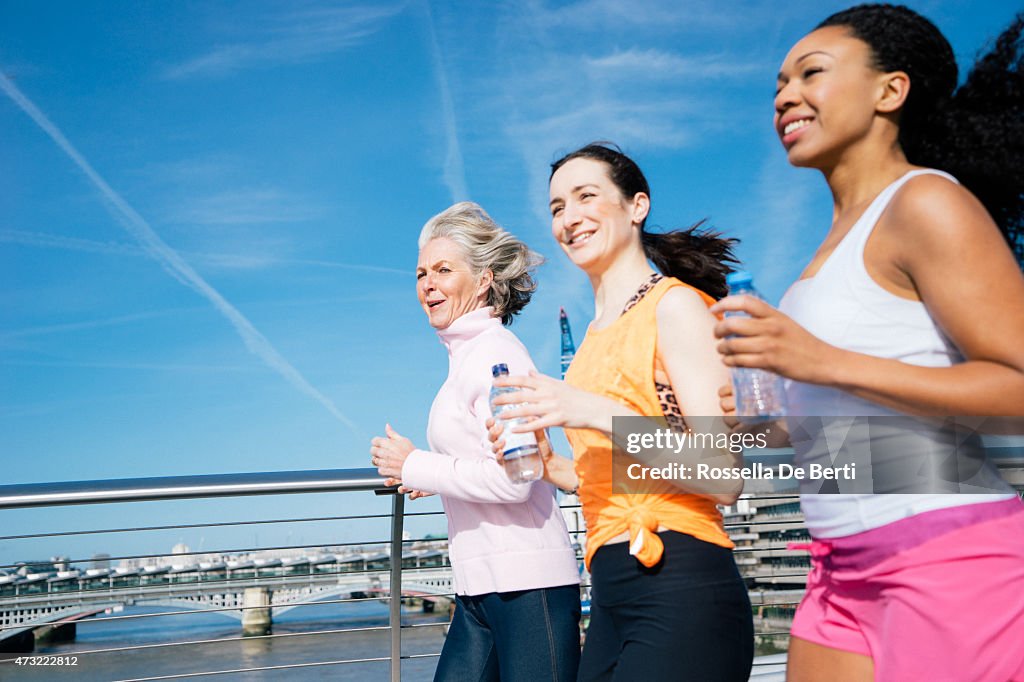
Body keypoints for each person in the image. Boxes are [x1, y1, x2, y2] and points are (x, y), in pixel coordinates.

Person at [713, 5, 1024, 681]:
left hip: (947, 557)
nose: (785, 97)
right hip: (838, 566)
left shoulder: (926, 203)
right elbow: (847, 420)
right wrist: (756, 423)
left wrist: (820, 360)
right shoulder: (822, 256)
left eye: (811, 74)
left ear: (891, 91)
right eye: (777, 86)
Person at [489, 143, 754, 681]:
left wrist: (590, 409)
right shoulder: (590, 340)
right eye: (558, 206)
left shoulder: (676, 307)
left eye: (587, 196)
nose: (569, 217)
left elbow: (722, 476)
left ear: (637, 206)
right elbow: (625, 473)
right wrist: (550, 467)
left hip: (681, 580)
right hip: (612, 587)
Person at [370, 201, 581, 682]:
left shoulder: (495, 357)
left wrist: (417, 466)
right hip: (480, 589)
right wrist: (436, 474)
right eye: (421, 272)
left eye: (444, 269)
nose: (428, 283)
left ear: (484, 279)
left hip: (531, 589)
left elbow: (517, 481)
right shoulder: (465, 360)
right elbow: (486, 459)